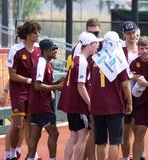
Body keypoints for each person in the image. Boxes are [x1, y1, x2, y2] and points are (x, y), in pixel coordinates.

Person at [58, 32, 102, 160]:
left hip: (72, 103)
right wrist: (90, 104)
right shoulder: (82, 62)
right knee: (82, 136)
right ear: (89, 45)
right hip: (78, 105)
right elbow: (81, 86)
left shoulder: (76, 59)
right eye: (95, 44)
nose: (97, 46)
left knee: (74, 136)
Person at [89, 31, 132, 160]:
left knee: (100, 142)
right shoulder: (118, 59)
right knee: (115, 142)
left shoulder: (95, 60)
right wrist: (130, 103)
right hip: (115, 106)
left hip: (97, 106)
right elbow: (125, 85)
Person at [6, 19, 42, 160]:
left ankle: (32, 155)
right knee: (18, 125)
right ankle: (11, 153)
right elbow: (12, 75)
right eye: (35, 32)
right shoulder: (16, 50)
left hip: (34, 92)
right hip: (19, 91)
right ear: (27, 35)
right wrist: (29, 81)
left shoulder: (39, 49)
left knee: (31, 125)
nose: (38, 34)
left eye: (39, 32)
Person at [26, 39, 64, 160]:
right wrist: (56, 87)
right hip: (42, 104)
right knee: (54, 133)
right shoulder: (42, 63)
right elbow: (37, 85)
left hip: (37, 103)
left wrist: (57, 82)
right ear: (46, 51)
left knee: (35, 135)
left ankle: (30, 158)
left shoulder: (47, 64)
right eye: (54, 48)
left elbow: (45, 83)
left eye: (56, 48)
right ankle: (52, 158)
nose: (56, 51)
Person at [120, 21, 144, 160]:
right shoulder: (119, 49)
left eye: (133, 32)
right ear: (123, 34)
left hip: (139, 94)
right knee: (125, 130)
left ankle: (140, 154)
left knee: (139, 129)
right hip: (123, 94)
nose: (131, 35)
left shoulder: (142, 48)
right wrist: (129, 75)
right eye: (128, 33)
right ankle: (125, 157)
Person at [83, 17, 103, 160]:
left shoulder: (103, 45)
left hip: (99, 94)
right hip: (85, 93)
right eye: (91, 33)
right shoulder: (80, 47)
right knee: (88, 131)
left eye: (96, 33)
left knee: (92, 130)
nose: (94, 36)